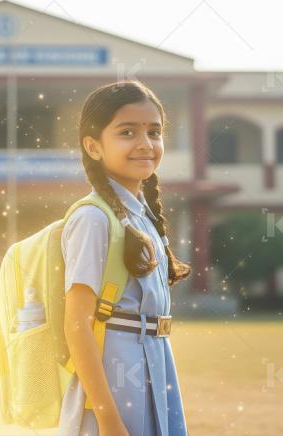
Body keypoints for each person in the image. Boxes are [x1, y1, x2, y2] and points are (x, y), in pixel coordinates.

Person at [60, 80, 191, 436]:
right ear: (93, 146)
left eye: (154, 132)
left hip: (156, 363)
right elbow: (76, 326)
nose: (145, 144)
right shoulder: (93, 218)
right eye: (127, 132)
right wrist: (108, 420)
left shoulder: (142, 217)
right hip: (117, 378)